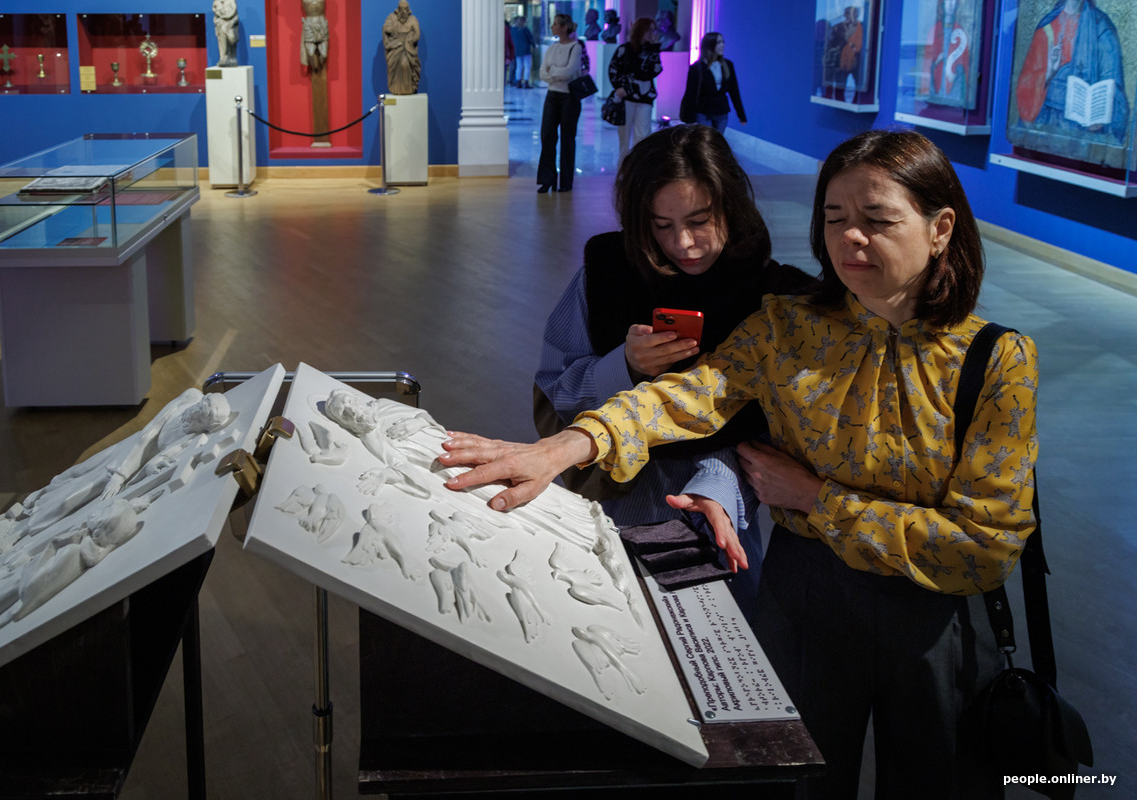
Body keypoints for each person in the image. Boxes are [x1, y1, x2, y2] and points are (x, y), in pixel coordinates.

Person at [441, 129, 1038, 799]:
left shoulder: (995, 359)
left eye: (877, 219)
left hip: (932, 616)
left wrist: (816, 499)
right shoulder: (788, 326)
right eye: (834, 218)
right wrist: (559, 448)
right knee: (793, 777)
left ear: (940, 228)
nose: (850, 238)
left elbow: (984, 548)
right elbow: (685, 398)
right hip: (806, 593)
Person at [534, 124, 816, 612]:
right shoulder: (607, 273)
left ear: (732, 205)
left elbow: (776, 434)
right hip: (607, 509)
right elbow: (552, 390)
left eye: (700, 220)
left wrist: (717, 484)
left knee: (705, 644)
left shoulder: (776, 298)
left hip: (715, 522)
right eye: (661, 226)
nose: (683, 243)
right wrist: (622, 366)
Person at [1015, 0, 1128, 145]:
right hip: (1050, 121)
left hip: (1086, 131)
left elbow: (1112, 82)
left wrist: (1100, 115)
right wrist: (1050, 72)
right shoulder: (1048, 26)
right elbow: (1028, 87)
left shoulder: (1101, 27)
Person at [536, 14, 585, 194]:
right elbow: (542, 72)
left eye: (555, 24)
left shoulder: (575, 47)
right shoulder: (552, 48)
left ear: (564, 28)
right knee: (547, 136)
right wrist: (555, 74)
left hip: (569, 98)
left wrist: (553, 72)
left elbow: (569, 71)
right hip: (552, 95)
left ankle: (566, 181)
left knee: (567, 139)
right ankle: (547, 179)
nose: (552, 26)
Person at [609, 18, 662, 164]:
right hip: (626, 97)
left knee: (642, 135)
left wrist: (655, 50)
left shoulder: (652, 51)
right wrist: (619, 87)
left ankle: (638, 168)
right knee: (624, 137)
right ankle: (623, 168)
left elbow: (654, 70)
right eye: (649, 30)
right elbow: (614, 69)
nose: (652, 34)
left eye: (653, 30)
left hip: (645, 97)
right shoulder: (625, 49)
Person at [680, 32, 746, 132]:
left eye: (723, 42)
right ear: (710, 45)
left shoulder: (728, 65)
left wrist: (741, 114)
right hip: (703, 112)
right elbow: (690, 93)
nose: (722, 45)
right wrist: (689, 118)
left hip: (721, 111)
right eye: (719, 42)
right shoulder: (697, 68)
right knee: (706, 139)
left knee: (717, 139)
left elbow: (734, 91)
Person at [382, 0, 421, 95]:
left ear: (408, 10)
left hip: (407, 47)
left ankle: (408, 89)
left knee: (405, 64)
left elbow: (417, 34)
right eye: (401, 9)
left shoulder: (413, 19)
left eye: (405, 9)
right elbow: (385, 29)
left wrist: (410, 40)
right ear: (398, 10)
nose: (403, 12)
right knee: (394, 68)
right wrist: (393, 29)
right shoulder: (391, 18)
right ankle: (395, 88)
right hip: (395, 46)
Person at [212, 0, 239, 68]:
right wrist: (220, 14)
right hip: (221, 24)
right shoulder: (216, 1)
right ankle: (223, 58)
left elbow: (233, 10)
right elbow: (215, 10)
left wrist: (226, 16)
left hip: (229, 24)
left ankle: (232, 58)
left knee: (232, 40)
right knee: (222, 42)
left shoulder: (231, 1)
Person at [511, 16, 535, 88]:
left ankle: (518, 82)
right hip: (526, 49)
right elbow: (530, 38)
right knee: (527, 66)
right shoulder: (525, 29)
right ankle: (526, 83)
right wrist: (534, 45)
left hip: (517, 50)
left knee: (519, 66)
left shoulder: (513, 29)